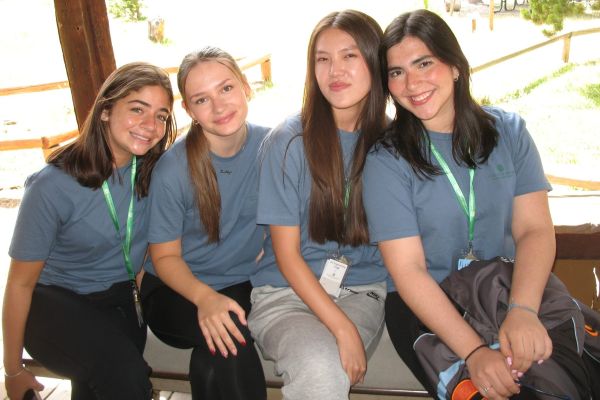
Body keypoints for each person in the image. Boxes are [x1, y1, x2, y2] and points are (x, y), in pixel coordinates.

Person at [363, 9, 590, 399]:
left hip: (504, 289)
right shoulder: (387, 160)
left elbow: (534, 230)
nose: (411, 82)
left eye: (424, 63)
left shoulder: (510, 133)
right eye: (396, 72)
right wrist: (475, 351)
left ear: (454, 66)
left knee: (564, 378)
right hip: (427, 306)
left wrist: (522, 310)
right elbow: (410, 271)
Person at [3, 62, 177, 400]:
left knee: (100, 385)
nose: (149, 125)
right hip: (53, 303)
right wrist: (12, 369)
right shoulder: (52, 185)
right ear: (105, 111)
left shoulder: (156, 174)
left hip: (120, 302)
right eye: (137, 109)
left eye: (161, 115)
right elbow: (19, 283)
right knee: (128, 377)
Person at [248, 10, 388, 400]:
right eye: (322, 59)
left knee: (326, 370)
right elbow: (287, 256)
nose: (334, 70)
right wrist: (342, 329)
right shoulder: (289, 141)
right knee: (321, 368)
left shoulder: (394, 144)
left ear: (376, 62)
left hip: (361, 293)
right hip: (284, 294)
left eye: (349, 56)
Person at [140, 46, 269, 400]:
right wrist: (204, 299)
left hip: (242, 284)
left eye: (226, 88)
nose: (218, 106)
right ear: (188, 110)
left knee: (214, 358)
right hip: (174, 291)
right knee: (232, 339)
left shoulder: (273, 147)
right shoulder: (174, 168)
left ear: (245, 86)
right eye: (201, 99)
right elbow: (164, 257)